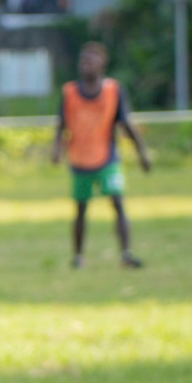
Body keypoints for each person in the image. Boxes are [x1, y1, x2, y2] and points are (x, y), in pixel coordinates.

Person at [51, 42, 151, 269]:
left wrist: (142, 153)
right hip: (79, 158)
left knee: (117, 203)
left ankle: (126, 254)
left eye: (90, 60)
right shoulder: (70, 92)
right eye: (83, 59)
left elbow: (126, 123)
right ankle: (78, 256)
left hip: (107, 157)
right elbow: (61, 123)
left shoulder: (113, 90)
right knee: (81, 209)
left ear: (102, 63)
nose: (85, 64)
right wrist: (56, 148)